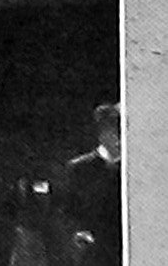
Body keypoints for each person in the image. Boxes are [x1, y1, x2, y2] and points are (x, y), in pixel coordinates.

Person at [62, 103, 122, 266]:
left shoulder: (133, 169)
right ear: (102, 134)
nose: (119, 139)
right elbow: (69, 210)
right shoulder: (80, 168)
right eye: (115, 132)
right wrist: (79, 232)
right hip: (94, 253)